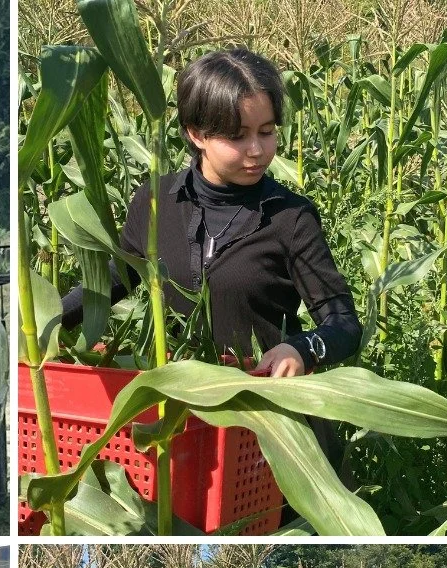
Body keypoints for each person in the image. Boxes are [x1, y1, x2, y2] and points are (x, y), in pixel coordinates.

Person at [61, 49, 360, 377]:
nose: (257, 150)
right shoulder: (156, 200)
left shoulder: (290, 217)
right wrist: (45, 322)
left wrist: (303, 349)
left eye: (267, 131)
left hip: (259, 405)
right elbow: (118, 277)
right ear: (196, 133)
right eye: (237, 136)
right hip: (175, 406)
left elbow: (343, 324)